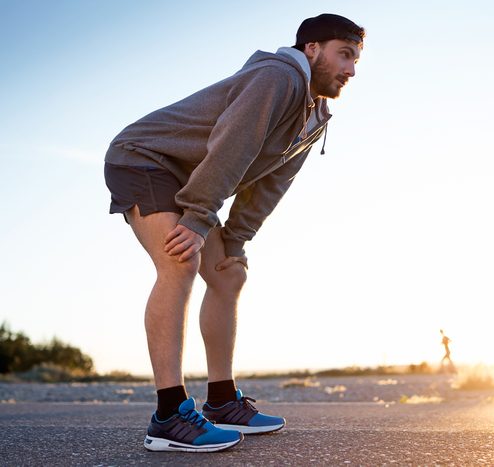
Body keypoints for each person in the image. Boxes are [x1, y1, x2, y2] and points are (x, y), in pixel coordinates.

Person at [103, 13, 365, 453]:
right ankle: (168, 416)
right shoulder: (277, 78)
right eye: (345, 54)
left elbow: (271, 184)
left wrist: (237, 240)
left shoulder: (316, 115)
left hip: (193, 178)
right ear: (312, 49)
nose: (351, 70)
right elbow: (234, 143)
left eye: (357, 60)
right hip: (144, 158)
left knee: (228, 274)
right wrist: (199, 217)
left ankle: (222, 402)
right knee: (179, 260)